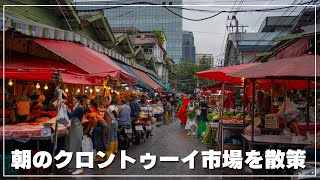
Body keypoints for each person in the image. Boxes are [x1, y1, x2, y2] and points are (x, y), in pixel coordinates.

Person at [66, 95, 84, 175]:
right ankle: (73, 166)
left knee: (76, 149)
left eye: (74, 100)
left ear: (78, 101)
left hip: (77, 131)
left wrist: (65, 108)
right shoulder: (76, 108)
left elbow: (70, 116)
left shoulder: (79, 108)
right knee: (73, 148)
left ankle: (79, 168)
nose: (73, 101)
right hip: (74, 130)